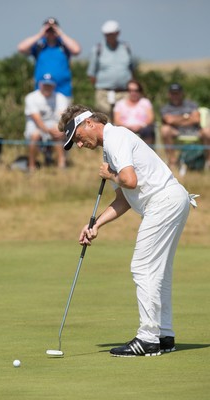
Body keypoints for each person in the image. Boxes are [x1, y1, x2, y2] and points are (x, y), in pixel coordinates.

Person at [58, 104, 199, 357]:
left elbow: (129, 180)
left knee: (142, 267)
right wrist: (96, 224)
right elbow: (124, 199)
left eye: (78, 138)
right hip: (172, 200)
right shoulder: (111, 147)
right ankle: (163, 335)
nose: (80, 145)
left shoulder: (116, 138)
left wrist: (111, 174)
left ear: (89, 123)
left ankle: (147, 339)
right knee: (159, 272)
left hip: (163, 202)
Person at [18, 18, 81, 104]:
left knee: (64, 116)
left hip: (62, 90)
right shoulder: (39, 45)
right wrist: (40, 34)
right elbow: (21, 48)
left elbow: (76, 50)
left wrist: (60, 34)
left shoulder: (64, 44)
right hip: (42, 90)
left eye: (53, 29)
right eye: (49, 29)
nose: (51, 31)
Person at [87, 20, 134, 119]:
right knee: (105, 120)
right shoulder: (98, 48)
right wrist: (100, 87)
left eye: (111, 34)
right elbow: (91, 73)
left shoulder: (126, 47)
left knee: (123, 120)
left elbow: (131, 69)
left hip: (123, 92)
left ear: (117, 33)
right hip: (103, 93)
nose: (109, 37)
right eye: (107, 35)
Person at [160, 83, 210, 169]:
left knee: (207, 131)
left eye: (177, 93)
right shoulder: (165, 108)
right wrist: (186, 117)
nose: (175, 96)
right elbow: (168, 120)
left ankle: (208, 161)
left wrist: (176, 120)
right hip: (177, 132)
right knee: (165, 129)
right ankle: (173, 161)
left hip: (195, 131)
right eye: (173, 93)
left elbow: (196, 119)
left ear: (182, 93)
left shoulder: (192, 104)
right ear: (169, 94)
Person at [24, 73, 67, 171]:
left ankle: (61, 164)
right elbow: (37, 119)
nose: (47, 87)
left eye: (50, 85)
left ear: (54, 86)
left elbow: (63, 117)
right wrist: (48, 131)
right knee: (35, 135)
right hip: (35, 126)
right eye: (45, 85)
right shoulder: (31, 97)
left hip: (53, 125)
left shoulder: (61, 97)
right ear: (40, 85)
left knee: (58, 132)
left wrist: (61, 129)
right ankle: (31, 166)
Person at [113, 79, 155, 145]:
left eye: (136, 90)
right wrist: (128, 127)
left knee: (148, 131)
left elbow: (150, 118)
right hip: (125, 129)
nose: (133, 93)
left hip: (143, 129)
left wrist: (141, 125)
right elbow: (117, 121)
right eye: (130, 90)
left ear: (140, 91)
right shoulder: (120, 104)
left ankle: (147, 152)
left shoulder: (145, 102)